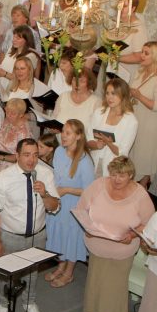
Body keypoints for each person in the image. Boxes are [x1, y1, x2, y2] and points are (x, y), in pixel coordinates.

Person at [76, 156, 155, 312]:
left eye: (122, 175)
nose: (116, 179)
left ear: (131, 175)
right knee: (95, 280)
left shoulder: (140, 194)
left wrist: (133, 235)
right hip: (97, 244)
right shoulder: (98, 185)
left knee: (115, 285)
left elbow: (149, 223)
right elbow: (81, 209)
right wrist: (87, 227)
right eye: (113, 175)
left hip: (122, 248)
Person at [0, 138, 60, 312]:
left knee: (32, 271)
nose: (31, 160)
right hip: (10, 236)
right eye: (27, 155)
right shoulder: (3, 178)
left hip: (38, 235)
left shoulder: (46, 174)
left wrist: (44, 194)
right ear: (17, 155)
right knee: (6, 273)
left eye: (35, 155)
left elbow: (54, 207)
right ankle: (4, 304)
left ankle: (29, 301)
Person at [45, 120, 95, 287]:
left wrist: (66, 190)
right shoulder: (59, 151)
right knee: (59, 235)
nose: (63, 136)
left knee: (71, 237)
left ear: (78, 136)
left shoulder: (85, 160)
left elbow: (89, 190)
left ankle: (69, 273)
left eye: (68, 133)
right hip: (58, 200)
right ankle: (61, 266)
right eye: (63, 132)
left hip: (74, 204)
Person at [129, 41, 157, 183]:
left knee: (144, 155)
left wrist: (139, 96)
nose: (142, 55)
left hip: (149, 123)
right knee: (133, 152)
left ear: (156, 56)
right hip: (135, 118)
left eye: (146, 53)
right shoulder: (140, 72)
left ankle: (143, 185)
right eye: (142, 52)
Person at [88, 77, 138, 177]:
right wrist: (96, 145)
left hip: (114, 169)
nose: (109, 97)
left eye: (113, 94)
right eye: (107, 93)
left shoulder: (131, 121)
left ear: (123, 95)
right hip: (93, 161)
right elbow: (88, 140)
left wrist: (108, 143)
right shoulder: (99, 113)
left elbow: (123, 153)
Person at [52, 67, 100, 139]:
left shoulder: (96, 102)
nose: (77, 84)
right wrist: (53, 129)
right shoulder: (63, 96)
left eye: (82, 81)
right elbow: (53, 121)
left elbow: (96, 133)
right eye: (75, 80)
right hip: (59, 143)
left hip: (82, 144)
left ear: (89, 83)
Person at [0, 24, 42, 98]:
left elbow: (24, 77)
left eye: (18, 38)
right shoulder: (11, 49)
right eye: (14, 37)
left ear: (26, 40)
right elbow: (4, 65)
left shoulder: (31, 56)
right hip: (3, 89)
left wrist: (4, 74)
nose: (14, 40)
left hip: (17, 92)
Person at [0, 98, 32, 172]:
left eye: (13, 113)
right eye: (7, 112)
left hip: (13, 170)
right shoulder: (7, 121)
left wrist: (0, 157)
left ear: (21, 114)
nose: (9, 115)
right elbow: (1, 137)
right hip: (1, 165)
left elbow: (21, 157)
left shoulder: (24, 132)